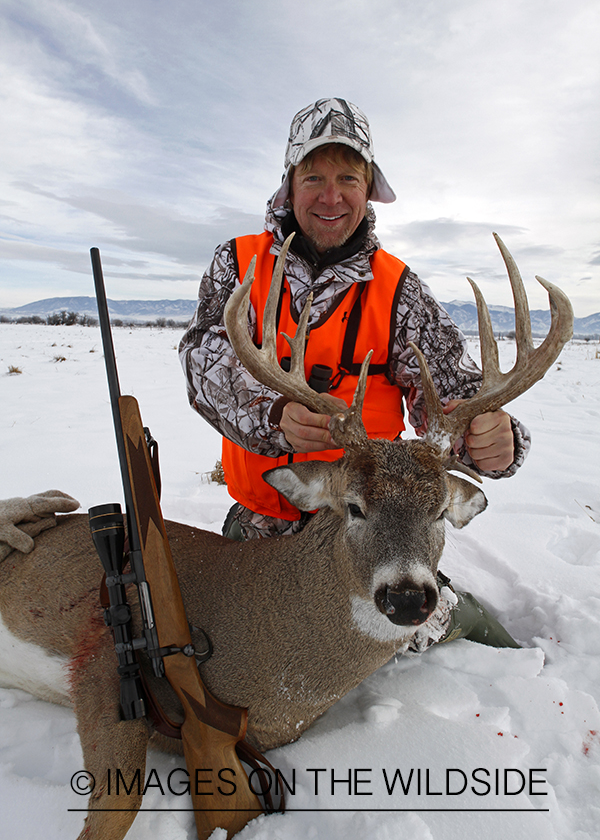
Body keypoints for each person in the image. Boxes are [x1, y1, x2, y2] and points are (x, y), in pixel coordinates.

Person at [179, 98, 528, 648]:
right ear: (289, 186)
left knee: (458, 639)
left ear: (369, 191)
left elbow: (456, 397)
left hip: (383, 536)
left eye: (348, 176)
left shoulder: (399, 291)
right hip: (264, 524)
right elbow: (203, 360)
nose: (330, 194)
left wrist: (492, 439)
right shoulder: (239, 263)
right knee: (245, 648)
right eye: (313, 175)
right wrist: (272, 414)